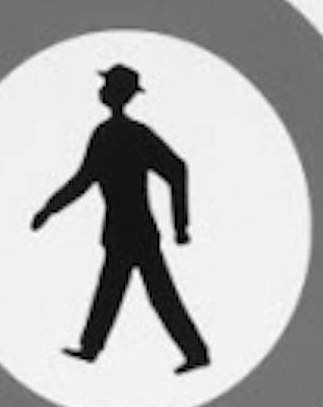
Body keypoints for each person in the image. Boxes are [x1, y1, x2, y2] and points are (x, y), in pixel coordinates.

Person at [31, 64, 210, 373]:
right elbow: (85, 179)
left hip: (134, 231)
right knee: (118, 291)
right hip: (125, 231)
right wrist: (49, 208)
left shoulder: (120, 134)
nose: (101, 91)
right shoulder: (119, 133)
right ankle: (93, 347)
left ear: (115, 93)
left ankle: (194, 353)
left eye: (107, 86)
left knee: (148, 294)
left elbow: (176, 169)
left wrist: (181, 226)